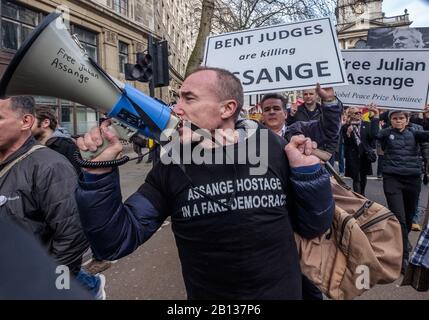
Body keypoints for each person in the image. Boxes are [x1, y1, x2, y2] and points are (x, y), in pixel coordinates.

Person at [75, 67, 335, 299]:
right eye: (178, 98)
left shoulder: (273, 147)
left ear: (227, 108)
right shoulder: (172, 164)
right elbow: (114, 241)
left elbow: (315, 226)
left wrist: (307, 174)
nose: (176, 108)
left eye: (189, 98)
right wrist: (97, 176)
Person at [0, 96, 105, 299]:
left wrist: (48, 282)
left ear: (26, 122)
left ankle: (93, 289)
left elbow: (73, 235)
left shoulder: (50, 165)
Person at [260, 88, 342, 301]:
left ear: (285, 113)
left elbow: (330, 129)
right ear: (261, 113)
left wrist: (330, 101)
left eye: (276, 108)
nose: (271, 112)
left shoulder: (301, 130)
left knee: (309, 277)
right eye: (267, 109)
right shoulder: (252, 138)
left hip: (302, 210)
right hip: (270, 213)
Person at [377, 110, 429, 273]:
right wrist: (371, 118)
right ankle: (403, 257)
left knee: (408, 216)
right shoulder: (386, 133)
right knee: (399, 218)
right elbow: (372, 135)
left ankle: (403, 241)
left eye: (401, 118)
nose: (398, 121)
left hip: (412, 179)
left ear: (407, 120)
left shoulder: (416, 132)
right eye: (395, 118)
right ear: (390, 120)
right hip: (392, 179)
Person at [32, 106, 82, 175]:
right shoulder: (31, 145)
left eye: (31, 121)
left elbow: (76, 175)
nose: (27, 125)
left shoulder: (67, 146)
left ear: (46, 123)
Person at [342, 105, 379, 195]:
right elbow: (346, 143)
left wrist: (375, 117)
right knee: (356, 177)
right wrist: (348, 133)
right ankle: (358, 197)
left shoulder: (366, 124)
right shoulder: (345, 126)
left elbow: (372, 137)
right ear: (351, 115)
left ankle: (362, 194)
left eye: (359, 112)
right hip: (353, 155)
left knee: (363, 176)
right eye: (356, 113)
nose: (359, 114)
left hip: (364, 155)